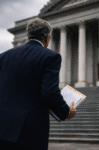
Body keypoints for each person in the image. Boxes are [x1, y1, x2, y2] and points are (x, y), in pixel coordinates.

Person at [0, 19, 76, 150]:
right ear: (47, 38)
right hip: (29, 132)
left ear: (28, 36)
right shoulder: (50, 56)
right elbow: (49, 92)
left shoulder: (4, 56)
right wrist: (66, 111)